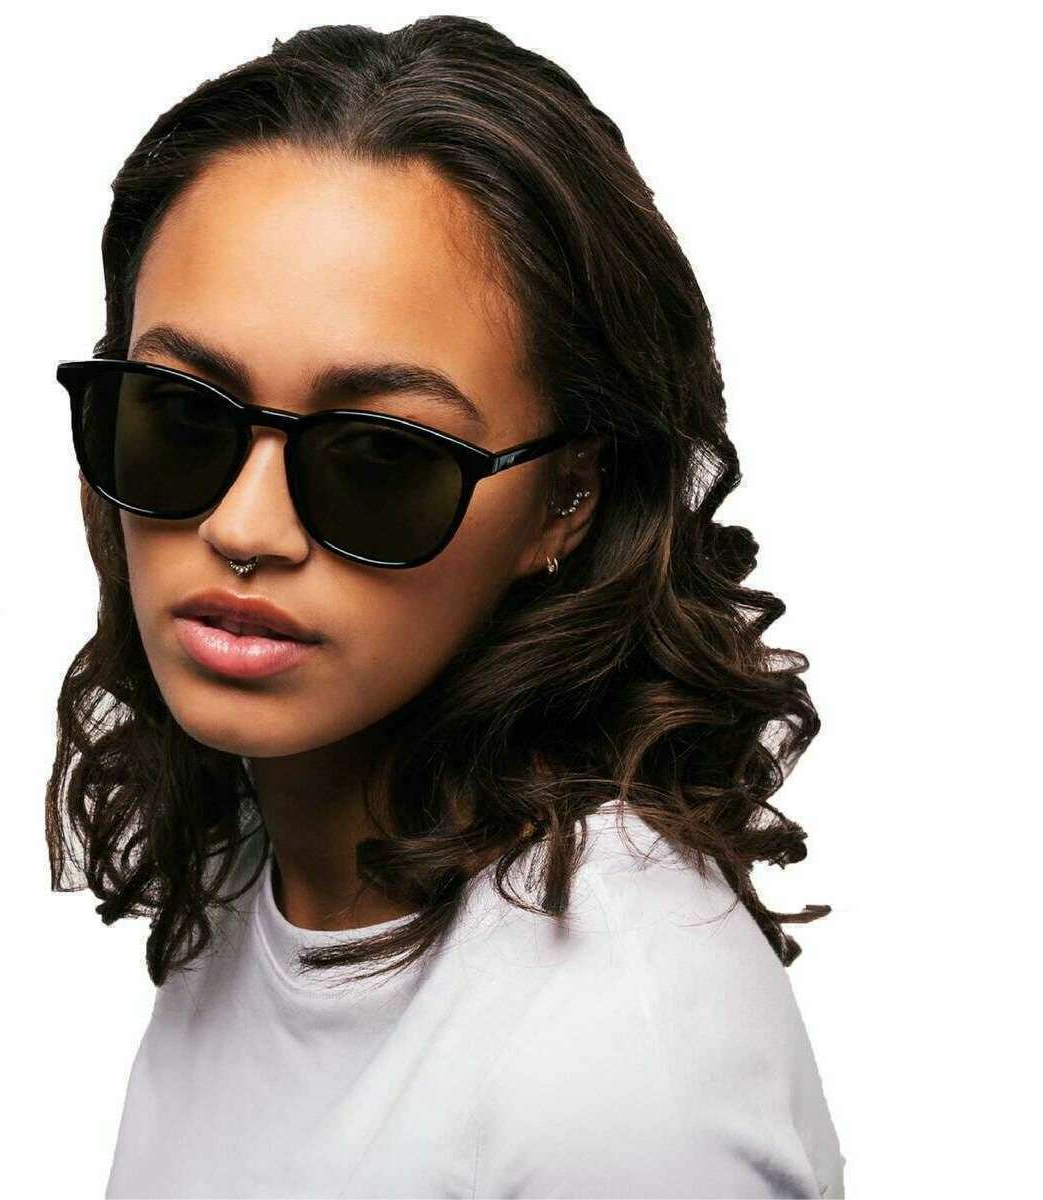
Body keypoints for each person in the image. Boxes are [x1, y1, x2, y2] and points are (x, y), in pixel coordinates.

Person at [47, 15, 846, 1198]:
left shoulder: (619, 1065)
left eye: (381, 457)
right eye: (181, 416)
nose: (246, 528)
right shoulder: (268, 866)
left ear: (567, 499)